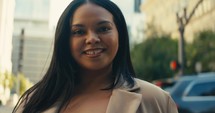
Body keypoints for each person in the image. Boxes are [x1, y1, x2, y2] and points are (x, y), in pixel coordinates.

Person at [13, 0, 178, 113]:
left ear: (120, 34)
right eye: (79, 32)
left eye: (103, 28)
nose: (92, 38)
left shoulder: (156, 100)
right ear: (65, 41)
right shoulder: (34, 101)